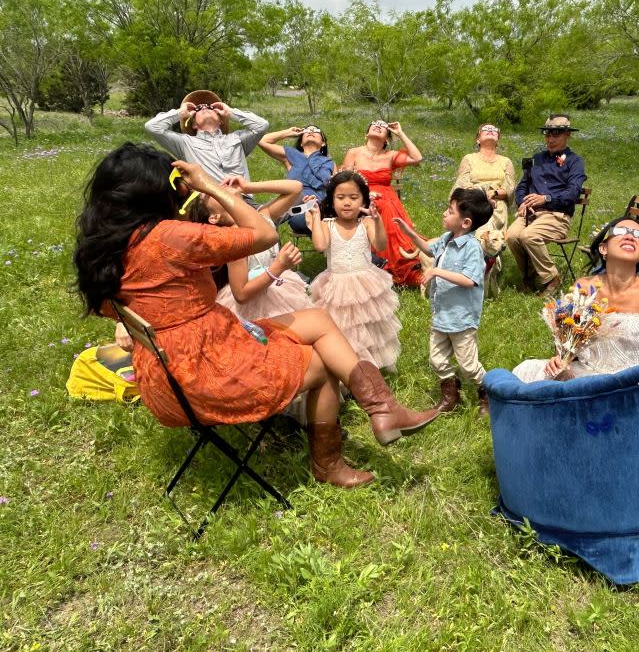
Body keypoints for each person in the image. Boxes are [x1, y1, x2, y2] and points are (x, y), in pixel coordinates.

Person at [74, 144, 439, 490]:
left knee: (315, 318)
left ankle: (384, 408)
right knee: (324, 364)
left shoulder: (106, 243)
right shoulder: (168, 236)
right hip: (205, 371)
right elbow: (264, 233)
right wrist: (208, 185)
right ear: (151, 192)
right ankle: (329, 463)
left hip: (169, 370)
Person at [513, 216, 639, 381]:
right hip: (584, 375)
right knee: (525, 371)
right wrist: (561, 362)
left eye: (638, 234)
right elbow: (567, 338)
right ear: (603, 248)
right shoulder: (584, 287)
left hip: (630, 382)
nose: (630, 236)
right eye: (621, 231)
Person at [395, 189, 494, 416]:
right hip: (442, 316)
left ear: (466, 222)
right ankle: (451, 396)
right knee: (437, 360)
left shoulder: (472, 249)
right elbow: (429, 249)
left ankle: (488, 393)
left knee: (468, 366)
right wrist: (409, 233)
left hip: (461, 318)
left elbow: (470, 280)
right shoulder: (447, 239)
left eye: (449, 211)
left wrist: (438, 271)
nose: (444, 214)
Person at [183, 176, 315, 321]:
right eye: (211, 193)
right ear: (214, 217)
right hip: (254, 309)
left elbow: (295, 188)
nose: (219, 189)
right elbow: (241, 294)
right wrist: (279, 266)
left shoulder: (263, 216)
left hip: (277, 292)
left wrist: (248, 187)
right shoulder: (234, 239)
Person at [308, 171, 401, 371]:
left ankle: (371, 366)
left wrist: (377, 220)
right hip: (336, 284)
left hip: (365, 282)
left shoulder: (366, 223)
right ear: (332, 201)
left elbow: (381, 244)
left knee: (369, 325)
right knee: (341, 327)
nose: (347, 203)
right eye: (340, 198)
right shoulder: (327, 224)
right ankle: (346, 366)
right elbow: (320, 245)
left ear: (364, 200)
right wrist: (316, 217)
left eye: (353, 197)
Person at [507, 114, 587, 296]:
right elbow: (522, 186)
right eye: (547, 135)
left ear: (567, 135)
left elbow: (573, 193)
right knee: (511, 236)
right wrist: (522, 203)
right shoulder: (536, 158)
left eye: (556, 135)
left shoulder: (575, 162)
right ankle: (530, 275)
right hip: (531, 213)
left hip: (557, 216)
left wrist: (547, 198)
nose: (550, 139)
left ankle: (552, 278)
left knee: (529, 236)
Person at [340, 119, 424, 287]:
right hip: (360, 196)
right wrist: (363, 193)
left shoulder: (390, 155)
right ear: (366, 134)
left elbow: (417, 158)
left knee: (386, 210)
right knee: (376, 209)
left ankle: (394, 268)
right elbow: (344, 178)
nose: (378, 125)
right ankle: (373, 266)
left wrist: (400, 133)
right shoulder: (354, 152)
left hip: (386, 198)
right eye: (373, 124)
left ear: (387, 138)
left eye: (383, 126)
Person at [144, 90, 269, 193]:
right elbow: (152, 127)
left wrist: (231, 113)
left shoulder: (238, 139)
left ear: (220, 121)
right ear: (193, 124)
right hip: (210, 205)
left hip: (244, 200)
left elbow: (262, 125)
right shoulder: (185, 143)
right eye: (198, 108)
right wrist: (180, 113)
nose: (204, 108)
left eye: (210, 107)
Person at [258, 124, 336, 235]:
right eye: (307, 130)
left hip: (319, 203)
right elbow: (261, 140)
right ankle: (261, 221)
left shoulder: (329, 163)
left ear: (323, 143)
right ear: (300, 142)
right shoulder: (291, 155)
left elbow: (338, 187)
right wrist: (288, 133)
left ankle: (261, 218)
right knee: (296, 193)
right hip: (294, 201)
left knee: (268, 216)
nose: (311, 131)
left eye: (316, 130)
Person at [451, 124, 516, 256]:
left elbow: (510, 188)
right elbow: (462, 182)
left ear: (498, 139)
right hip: (473, 200)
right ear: (478, 138)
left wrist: (494, 193)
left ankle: (490, 260)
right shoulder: (469, 159)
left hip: (496, 203)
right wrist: (480, 195)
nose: (491, 131)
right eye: (486, 129)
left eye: (494, 130)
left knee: (492, 221)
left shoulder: (506, 161)